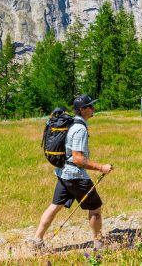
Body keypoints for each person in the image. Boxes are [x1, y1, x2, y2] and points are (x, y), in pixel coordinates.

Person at [30, 94, 114, 250]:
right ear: (82, 109)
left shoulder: (72, 124)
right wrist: (101, 167)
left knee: (55, 205)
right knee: (95, 208)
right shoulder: (79, 128)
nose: (93, 108)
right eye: (90, 106)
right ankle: (99, 244)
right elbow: (78, 159)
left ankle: (37, 240)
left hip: (63, 172)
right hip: (75, 175)